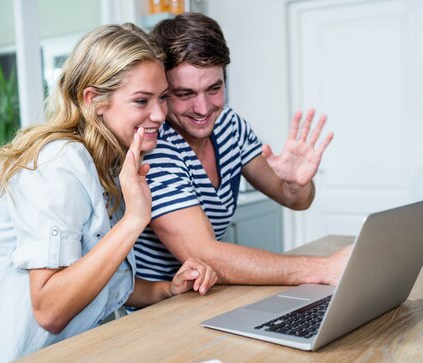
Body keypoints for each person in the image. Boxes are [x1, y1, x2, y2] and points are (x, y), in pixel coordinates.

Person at [0, 23, 217, 363]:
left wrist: (169, 289)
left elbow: (99, 279)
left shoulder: (111, 162)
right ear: (94, 101)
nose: (159, 115)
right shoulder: (59, 162)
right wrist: (134, 219)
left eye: (163, 97)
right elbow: (51, 309)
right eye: (142, 100)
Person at [133, 12, 349, 285]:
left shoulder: (229, 125)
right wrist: (322, 268)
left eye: (214, 88)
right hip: (157, 311)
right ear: (162, 89)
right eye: (185, 94)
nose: (203, 108)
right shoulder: (155, 149)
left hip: (209, 294)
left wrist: (296, 184)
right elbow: (205, 255)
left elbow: (296, 200)